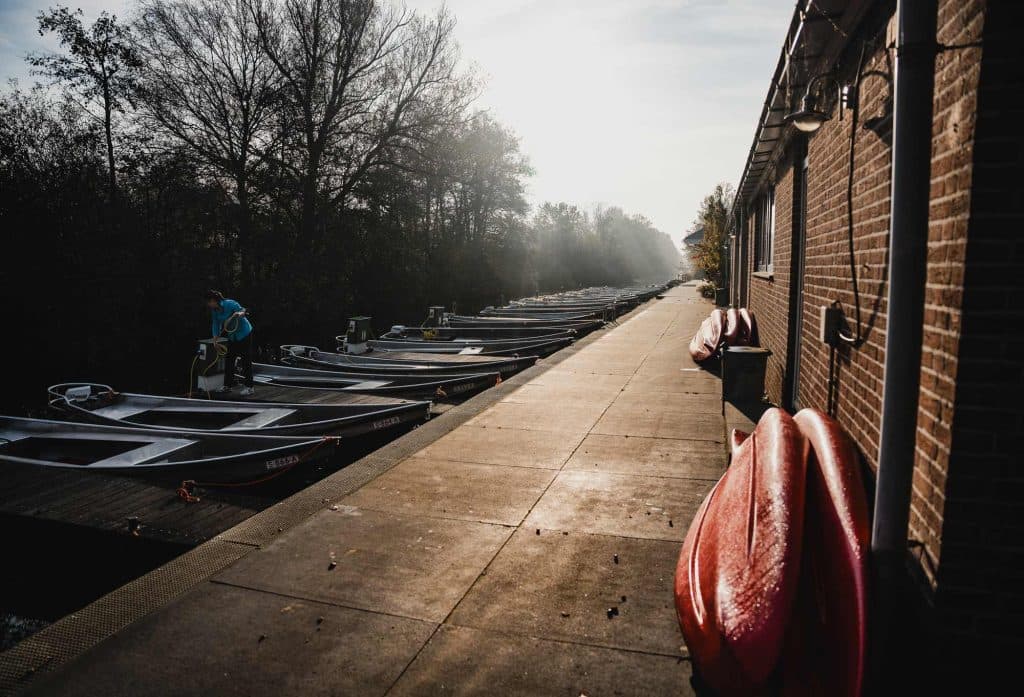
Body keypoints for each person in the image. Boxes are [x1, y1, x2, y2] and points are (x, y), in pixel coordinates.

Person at [205, 290, 255, 396]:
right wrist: (215, 340)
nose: (208, 304)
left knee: (246, 360)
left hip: (244, 333)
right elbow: (216, 324)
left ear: (213, 300)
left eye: (209, 302)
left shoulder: (230, 303)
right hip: (232, 336)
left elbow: (244, 310)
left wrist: (240, 314)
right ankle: (228, 385)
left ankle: (250, 387)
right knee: (229, 359)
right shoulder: (214, 311)